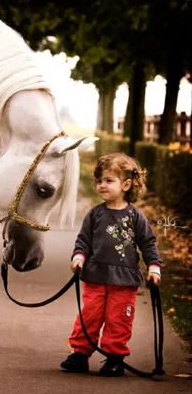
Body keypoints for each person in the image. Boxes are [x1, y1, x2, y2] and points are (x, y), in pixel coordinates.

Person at [60, 152, 162, 377]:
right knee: (90, 316)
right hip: (95, 276)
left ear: (126, 184)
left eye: (108, 180)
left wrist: (154, 268)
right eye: (99, 181)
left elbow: (148, 243)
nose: (101, 185)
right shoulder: (94, 214)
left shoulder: (135, 217)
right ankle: (80, 354)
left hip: (124, 281)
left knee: (119, 319)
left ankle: (114, 359)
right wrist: (78, 257)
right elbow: (83, 241)